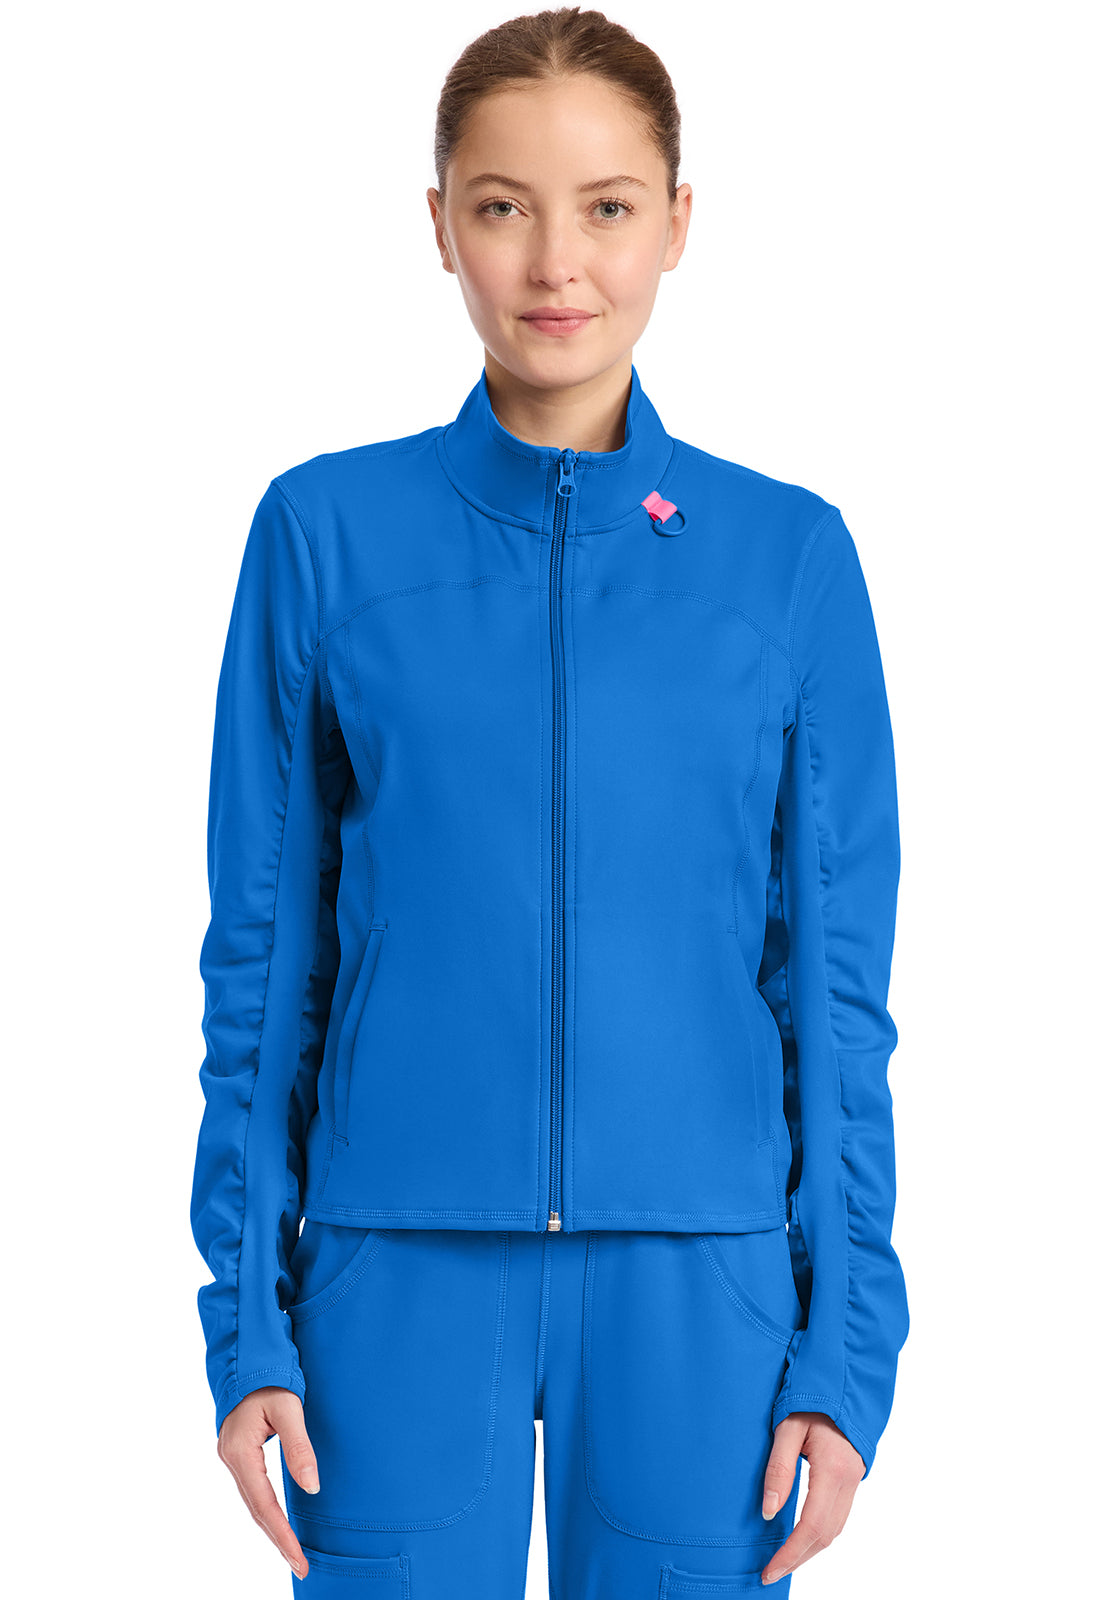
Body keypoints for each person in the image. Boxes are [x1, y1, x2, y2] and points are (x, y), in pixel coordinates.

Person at [190, 8, 909, 1596]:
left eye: (608, 206)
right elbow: (264, 965)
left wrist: (843, 1351)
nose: (556, 262)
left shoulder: (787, 558)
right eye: (504, 205)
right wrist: (248, 1327)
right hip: (390, 1272)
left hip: (702, 1286)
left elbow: (835, 993)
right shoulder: (324, 534)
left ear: (678, 223)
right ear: (439, 223)